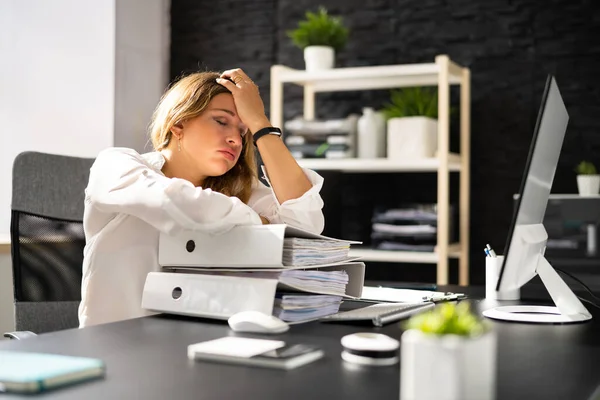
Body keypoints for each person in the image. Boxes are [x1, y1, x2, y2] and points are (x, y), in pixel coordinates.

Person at [78, 68, 325, 327]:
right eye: (221, 121)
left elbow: (304, 229)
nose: (235, 139)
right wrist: (260, 223)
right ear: (178, 124)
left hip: (194, 343)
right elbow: (174, 204)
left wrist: (260, 124)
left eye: (242, 132)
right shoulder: (115, 164)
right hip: (115, 345)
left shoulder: (237, 191)